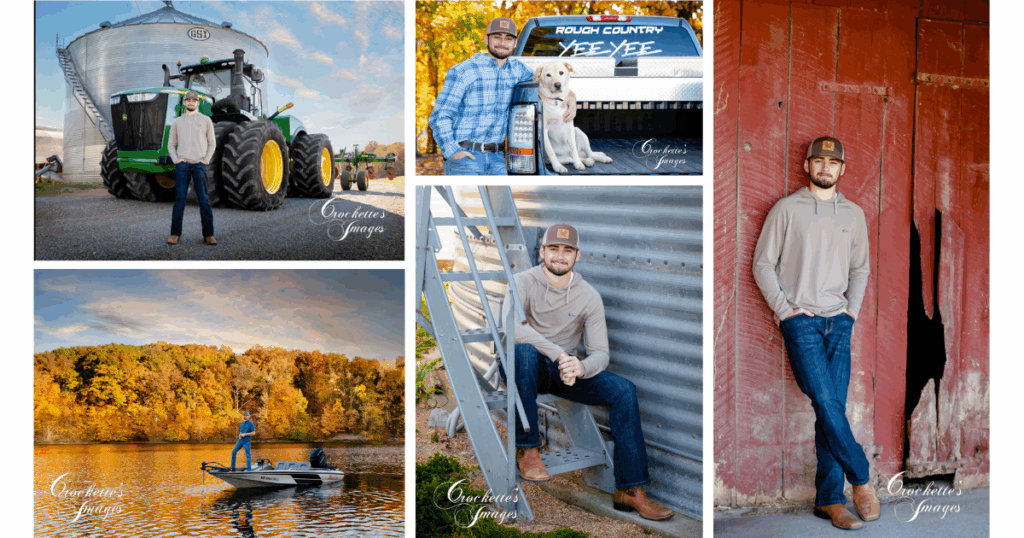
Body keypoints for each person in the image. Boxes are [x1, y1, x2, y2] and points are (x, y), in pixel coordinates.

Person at [502, 223, 673, 521]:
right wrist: (561, 355)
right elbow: (513, 330)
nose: (559, 256)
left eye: (567, 250)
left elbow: (601, 354)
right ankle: (528, 450)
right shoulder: (521, 282)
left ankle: (629, 489)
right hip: (522, 366)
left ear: (577, 256)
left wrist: (579, 367)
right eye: (553, 249)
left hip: (563, 372)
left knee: (624, 391)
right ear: (542, 251)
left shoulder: (588, 296)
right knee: (525, 352)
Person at [752, 136, 880, 530]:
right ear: (807, 165)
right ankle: (861, 478)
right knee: (826, 403)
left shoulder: (854, 214)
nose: (826, 167)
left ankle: (828, 501)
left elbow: (860, 269)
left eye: (833, 162)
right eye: (819, 160)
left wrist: (851, 313)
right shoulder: (786, 209)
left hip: (838, 321)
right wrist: (787, 312)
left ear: (842, 169)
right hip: (801, 323)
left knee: (831, 410)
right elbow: (762, 264)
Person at [429, 17, 576, 175]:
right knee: (467, 200)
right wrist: (453, 152)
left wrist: (571, 95)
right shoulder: (464, 71)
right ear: (486, 39)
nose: (502, 42)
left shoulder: (518, 70)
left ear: (514, 43)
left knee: (504, 200)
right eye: (497, 37)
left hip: (498, 158)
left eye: (508, 38)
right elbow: (440, 116)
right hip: (466, 157)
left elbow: (546, 81)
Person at [167, 90, 217, 245]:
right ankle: (175, 234)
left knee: (203, 199)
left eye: (193, 100)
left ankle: (209, 234)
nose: (190, 102)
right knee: (180, 199)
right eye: (188, 100)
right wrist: (176, 159)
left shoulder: (206, 120)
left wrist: (206, 159)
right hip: (183, 165)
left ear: (197, 103)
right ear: (184, 103)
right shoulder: (177, 122)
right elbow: (170, 144)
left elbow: (212, 143)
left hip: (199, 164)